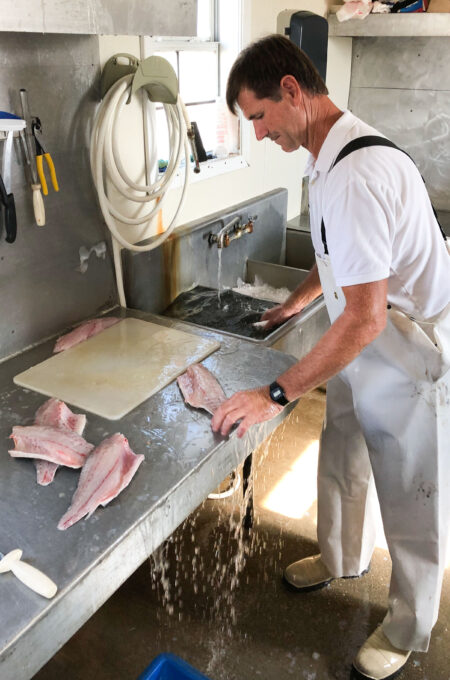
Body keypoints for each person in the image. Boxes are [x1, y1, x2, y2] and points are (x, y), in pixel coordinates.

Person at [211, 34, 450, 680]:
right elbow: (340, 254)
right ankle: (342, 557)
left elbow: (368, 315)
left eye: (259, 117)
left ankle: (408, 628)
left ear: (291, 90)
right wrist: (297, 301)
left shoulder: (357, 174)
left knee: (412, 491)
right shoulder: (329, 152)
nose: (258, 135)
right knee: (343, 445)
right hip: (367, 337)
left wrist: (276, 394)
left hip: (408, 347)